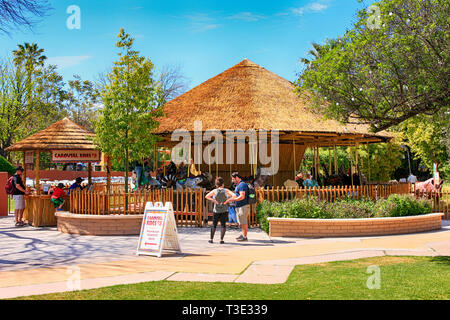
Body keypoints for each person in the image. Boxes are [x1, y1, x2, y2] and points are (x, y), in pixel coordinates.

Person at [205, 177, 235, 244]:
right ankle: (221, 239)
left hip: (216, 210)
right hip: (224, 209)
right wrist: (227, 201)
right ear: (223, 184)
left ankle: (211, 239)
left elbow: (206, 196)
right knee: (223, 225)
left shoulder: (214, 191)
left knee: (214, 224)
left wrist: (214, 200)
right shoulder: (226, 190)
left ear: (216, 184)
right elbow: (234, 195)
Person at [230, 172, 250, 241]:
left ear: (237, 178)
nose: (233, 181)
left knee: (244, 222)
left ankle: (245, 237)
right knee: (241, 222)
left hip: (243, 206)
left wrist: (234, 199)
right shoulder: (238, 185)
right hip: (239, 206)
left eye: (233, 179)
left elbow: (242, 196)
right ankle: (243, 234)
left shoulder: (242, 185)